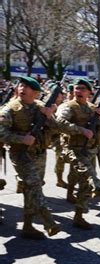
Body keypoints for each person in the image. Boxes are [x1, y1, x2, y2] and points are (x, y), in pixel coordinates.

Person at [56, 78, 100, 228]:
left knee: (85, 185)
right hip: (73, 149)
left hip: (90, 150)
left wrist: (99, 118)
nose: (78, 91)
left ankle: (78, 217)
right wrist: (81, 130)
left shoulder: (93, 108)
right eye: (77, 88)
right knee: (89, 174)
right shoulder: (67, 106)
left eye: (82, 89)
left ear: (89, 93)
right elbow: (60, 122)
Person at [0, 77, 61, 239]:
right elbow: (1, 132)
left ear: (35, 93)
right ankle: (49, 221)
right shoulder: (10, 109)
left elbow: (57, 129)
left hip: (39, 153)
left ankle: (28, 226)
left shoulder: (40, 107)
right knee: (34, 184)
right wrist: (21, 139)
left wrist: (49, 116)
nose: (22, 88)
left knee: (32, 189)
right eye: (21, 85)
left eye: (27, 87)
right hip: (20, 154)